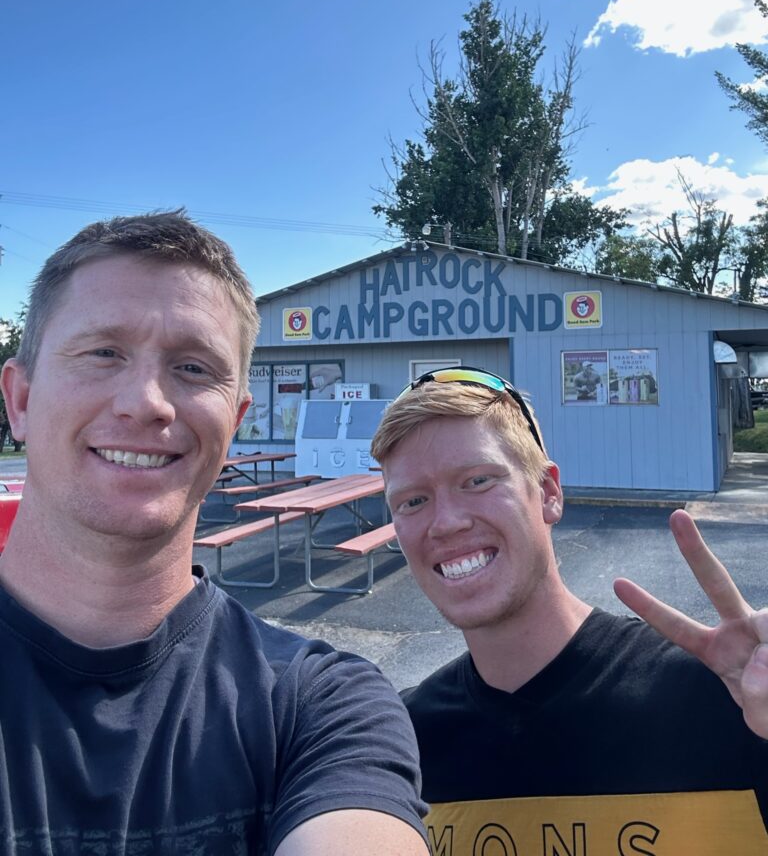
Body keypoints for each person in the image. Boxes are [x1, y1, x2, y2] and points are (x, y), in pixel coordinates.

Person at [0, 211, 428, 856]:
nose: (147, 402)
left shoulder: (319, 708)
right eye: (103, 352)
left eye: (195, 368)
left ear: (234, 422)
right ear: (21, 400)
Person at [371, 365, 768, 854]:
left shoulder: (732, 697)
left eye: (477, 480)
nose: (446, 522)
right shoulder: (402, 744)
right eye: (412, 501)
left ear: (549, 493)